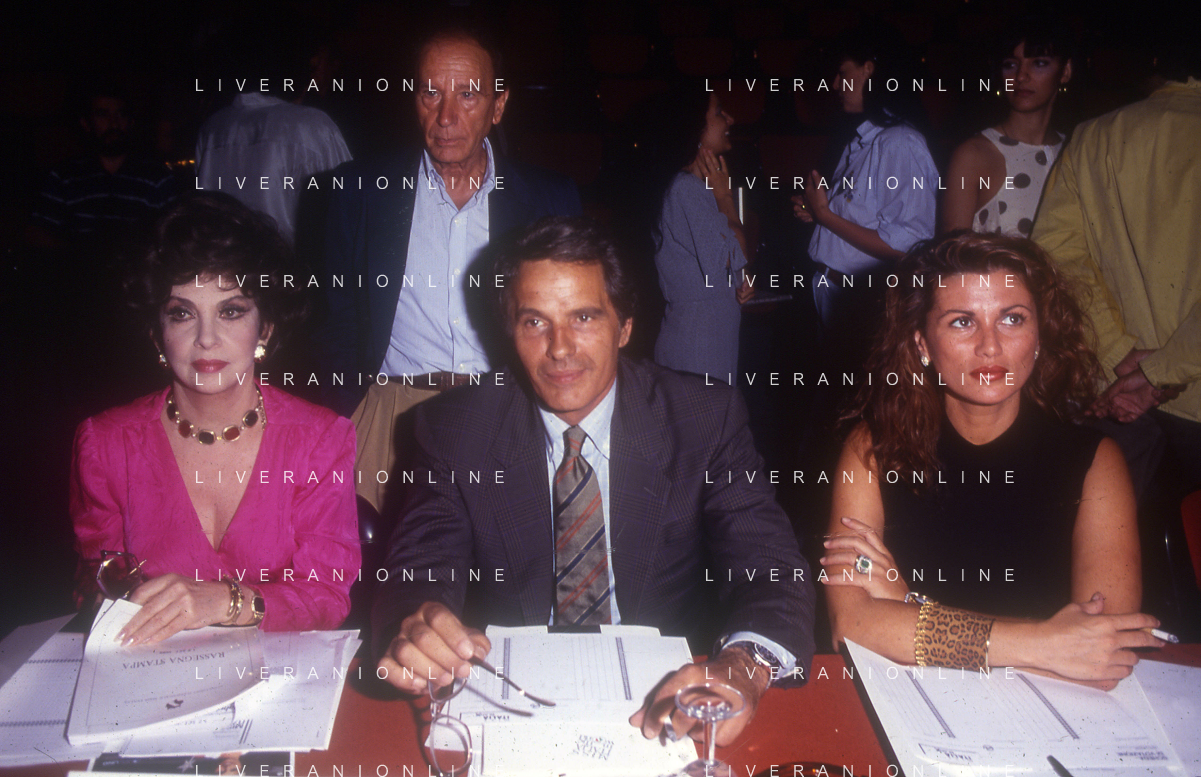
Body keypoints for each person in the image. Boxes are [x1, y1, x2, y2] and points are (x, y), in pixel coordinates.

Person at [372, 217, 815, 746]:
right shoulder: (455, 430)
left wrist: (742, 666)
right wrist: (417, 623)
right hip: (508, 697)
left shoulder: (702, 418)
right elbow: (417, 571)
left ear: (624, 327)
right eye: (534, 322)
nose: (560, 348)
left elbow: (772, 569)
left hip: (668, 697)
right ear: (509, 331)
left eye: (583, 317)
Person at [822, 231, 1163, 687]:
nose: (990, 346)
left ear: (1039, 335)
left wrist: (912, 611)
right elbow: (850, 627)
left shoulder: (1094, 460)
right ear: (922, 344)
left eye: (1012, 319)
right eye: (962, 322)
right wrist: (1045, 643)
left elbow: (1105, 656)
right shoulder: (871, 449)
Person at [70, 195, 360, 643]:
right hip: (152, 669)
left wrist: (225, 602)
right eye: (182, 313)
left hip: (283, 672)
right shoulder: (104, 443)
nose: (206, 338)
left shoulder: (320, 439)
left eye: (231, 311)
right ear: (157, 334)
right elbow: (94, 583)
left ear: (265, 328)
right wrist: (117, 597)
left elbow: (326, 596)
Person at [320, 20, 581, 514]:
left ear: (498, 106)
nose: (445, 116)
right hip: (391, 416)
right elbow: (337, 320)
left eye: (468, 95)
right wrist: (343, 417)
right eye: (430, 93)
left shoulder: (549, 197)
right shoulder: (359, 192)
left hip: (507, 412)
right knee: (382, 559)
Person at [1032, 70, 1201, 500]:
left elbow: (1055, 255)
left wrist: (1119, 354)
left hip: (1114, 388)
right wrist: (1158, 373)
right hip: (1173, 395)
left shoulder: (1094, 134)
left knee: (1103, 532)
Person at [642, 88, 753, 381]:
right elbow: (735, 253)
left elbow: (734, 265)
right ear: (696, 128)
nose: (729, 119)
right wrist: (726, 198)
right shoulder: (686, 189)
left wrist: (741, 283)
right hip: (696, 343)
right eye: (718, 112)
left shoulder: (697, 190)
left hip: (712, 336)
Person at [941, 17, 1072, 236]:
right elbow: (951, 253)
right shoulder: (974, 155)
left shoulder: (1077, 150)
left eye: (1039, 63)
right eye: (1010, 64)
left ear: (1065, 71)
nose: (1021, 76)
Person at [195, 90, 352, 244]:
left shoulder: (212, 127)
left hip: (222, 253)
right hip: (290, 256)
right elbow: (348, 206)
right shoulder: (313, 124)